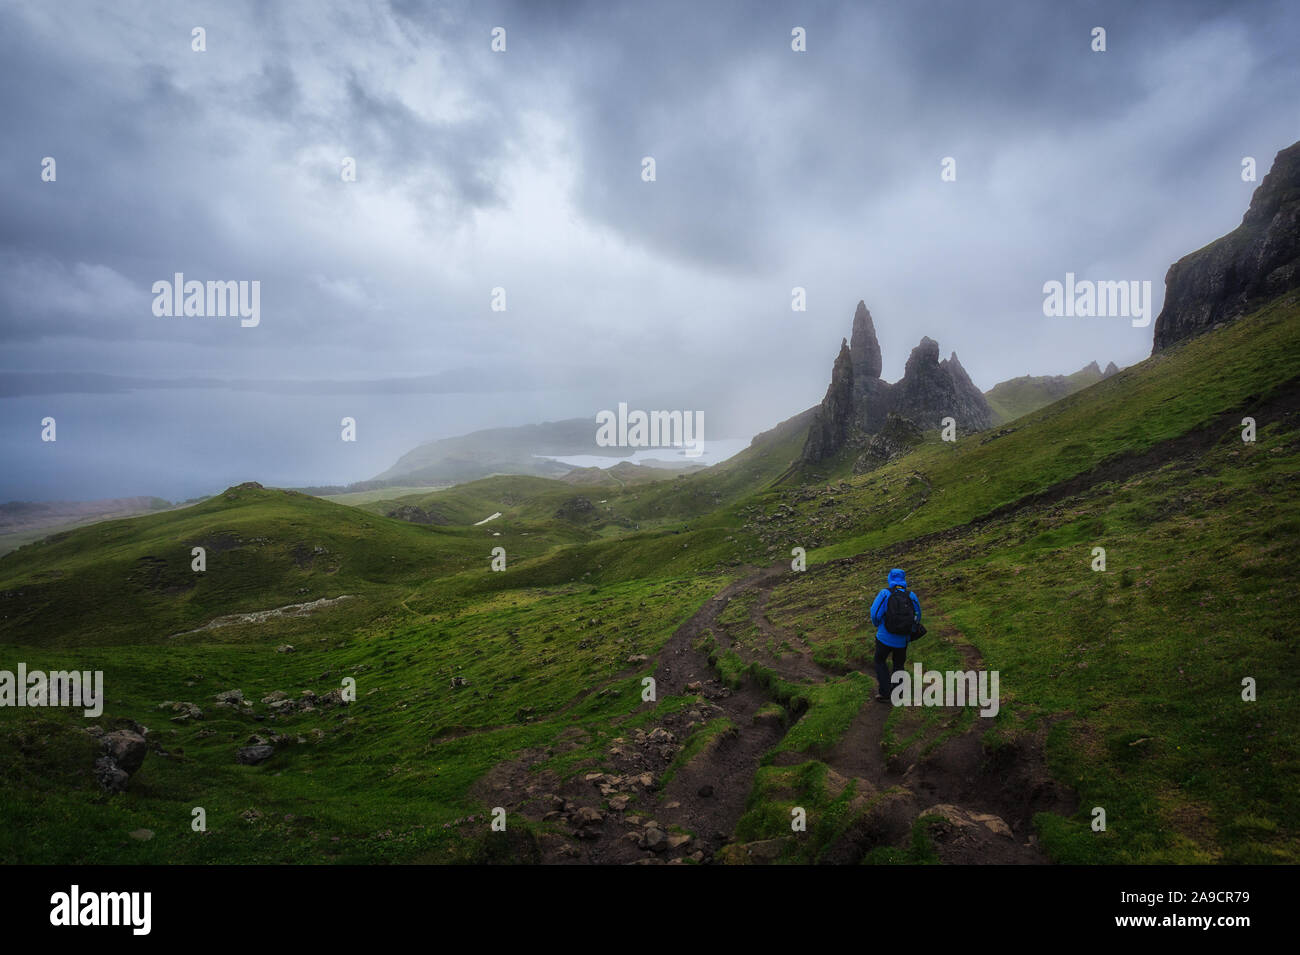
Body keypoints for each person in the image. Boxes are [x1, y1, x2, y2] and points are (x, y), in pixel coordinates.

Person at [869, 568, 922, 703]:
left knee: (880, 661)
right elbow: (918, 615)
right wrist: (910, 631)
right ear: (903, 580)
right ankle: (898, 693)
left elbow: (875, 613)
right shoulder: (911, 596)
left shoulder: (885, 593)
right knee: (899, 664)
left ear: (889, 578)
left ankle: (885, 692)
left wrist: (878, 625)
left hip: (884, 637)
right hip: (902, 640)